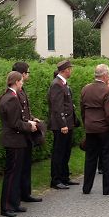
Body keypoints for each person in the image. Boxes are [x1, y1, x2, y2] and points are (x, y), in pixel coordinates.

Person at [0, 71, 37, 217]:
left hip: (17, 140)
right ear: (16, 82)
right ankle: (7, 206)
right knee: (12, 174)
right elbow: (14, 123)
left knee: (16, 173)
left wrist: (29, 122)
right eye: (21, 81)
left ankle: (14, 202)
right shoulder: (10, 99)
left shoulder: (11, 96)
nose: (22, 84)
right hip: (13, 140)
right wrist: (29, 126)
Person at [81, 64, 109, 195]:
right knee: (107, 157)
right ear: (105, 76)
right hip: (104, 128)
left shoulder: (85, 89)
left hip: (90, 127)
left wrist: (86, 123)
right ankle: (108, 187)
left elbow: (83, 110)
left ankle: (86, 187)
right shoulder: (107, 91)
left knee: (90, 157)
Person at [11, 62, 43, 203]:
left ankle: (26, 193)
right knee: (18, 168)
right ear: (22, 74)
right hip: (20, 133)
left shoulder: (21, 90)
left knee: (26, 165)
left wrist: (32, 119)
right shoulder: (14, 92)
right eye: (27, 73)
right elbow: (16, 116)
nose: (28, 75)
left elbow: (24, 111)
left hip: (26, 133)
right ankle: (18, 195)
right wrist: (28, 124)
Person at [48, 60, 79, 189]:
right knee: (59, 152)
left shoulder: (63, 84)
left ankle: (65, 177)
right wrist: (63, 124)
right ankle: (56, 179)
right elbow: (57, 107)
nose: (71, 71)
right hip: (61, 125)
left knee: (66, 152)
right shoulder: (57, 84)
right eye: (70, 69)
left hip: (68, 123)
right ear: (65, 70)